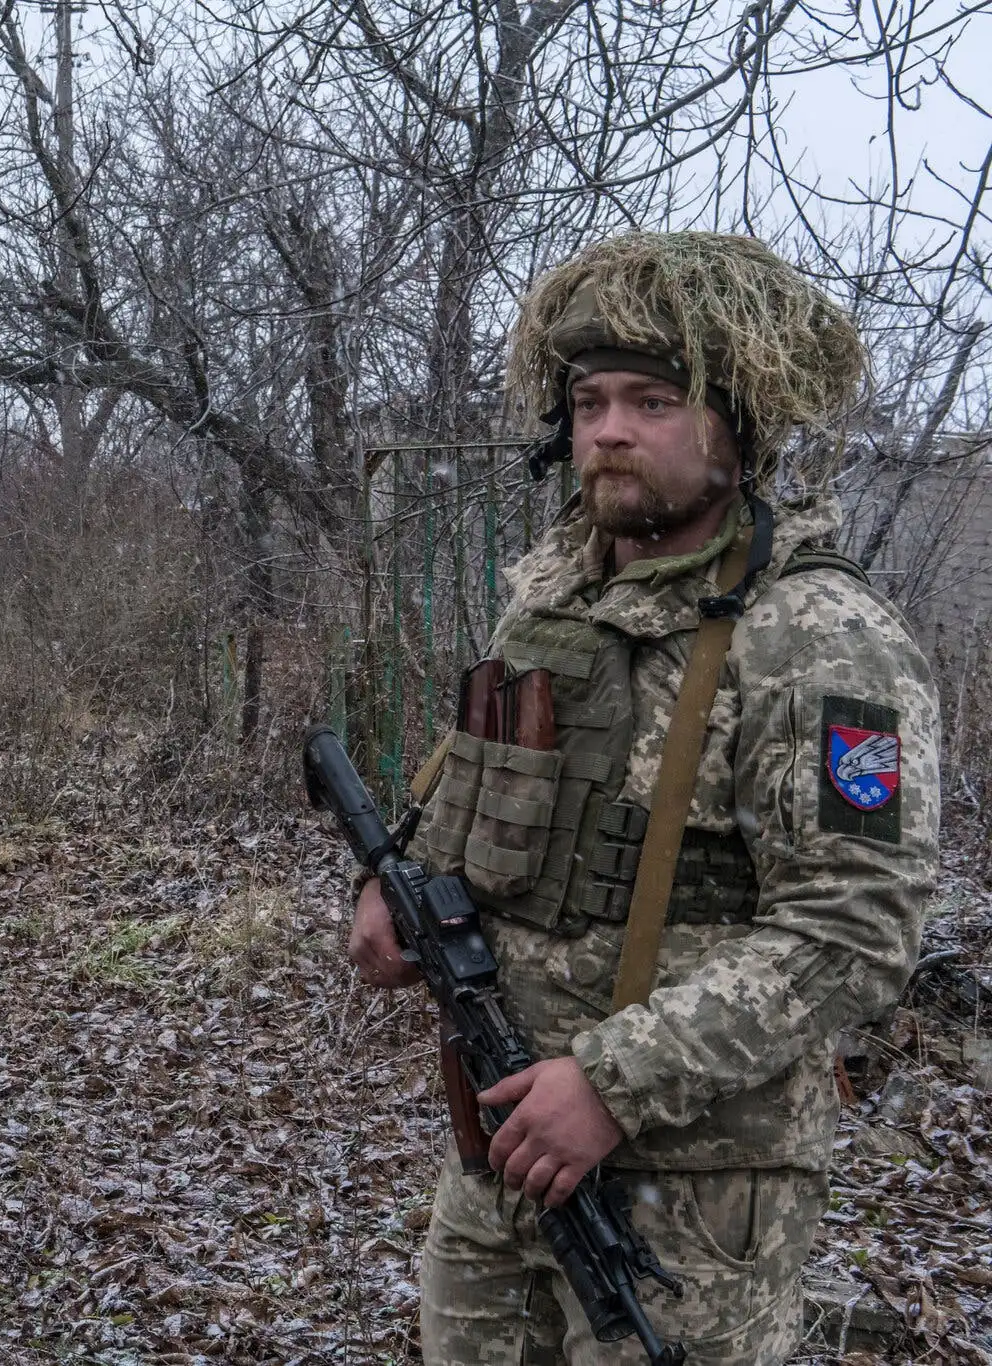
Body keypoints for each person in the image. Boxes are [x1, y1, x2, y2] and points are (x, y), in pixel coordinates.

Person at [348, 232, 940, 1364]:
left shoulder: (818, 639)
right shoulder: (549, 606)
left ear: (736, 427)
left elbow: (853, 928)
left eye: (653, 401)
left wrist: (612, 1084)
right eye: (588, 402)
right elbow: (471, 785)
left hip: (693, 1189)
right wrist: (395, 879)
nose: (608, 430)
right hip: (502, 1144)